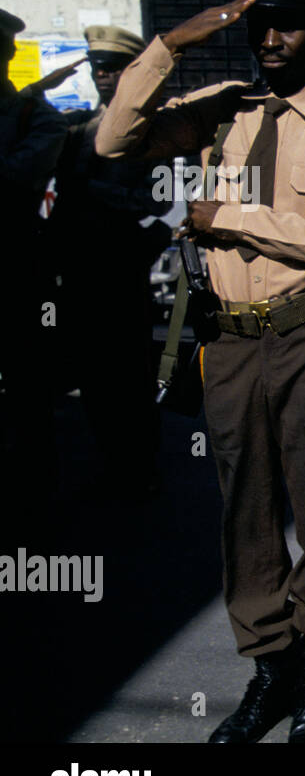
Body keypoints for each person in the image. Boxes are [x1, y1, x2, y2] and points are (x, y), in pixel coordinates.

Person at [96, 0, 305, 744]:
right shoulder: (222, 105)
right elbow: (113, 142)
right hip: (224, 339)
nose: (271, 39)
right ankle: (269, 667)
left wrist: (225, 217)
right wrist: (171, 46)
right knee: (245, 513)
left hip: (301, 330)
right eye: (259, 22)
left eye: (289, 23)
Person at [48, 25, 171, 493]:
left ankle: (139, 463)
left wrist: (94, 191)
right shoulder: (76, 126)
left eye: (114, 68)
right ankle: (110, 458)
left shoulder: (150, 129)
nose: (104, 76)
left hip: (121, 260)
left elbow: (159, 200)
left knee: (130, 370)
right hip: (78, 262)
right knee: (93, 371)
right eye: (98, 67)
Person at [0, 8, 66, 503]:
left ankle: (34, 487)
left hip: (15, 263)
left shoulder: (34, 118)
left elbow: (16, 179)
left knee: (27, 382)